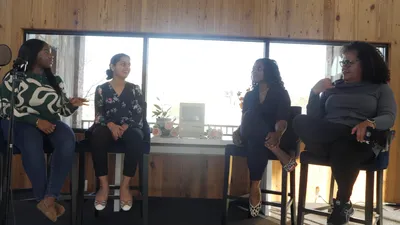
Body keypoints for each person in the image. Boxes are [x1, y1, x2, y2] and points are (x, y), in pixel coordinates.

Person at [293, 41, 396, 225]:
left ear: (365, 64)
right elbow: (315, 118)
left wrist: (369, 122)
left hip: (359, 142)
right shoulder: (333, 88)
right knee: (299, 120)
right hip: (330, 137)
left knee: (344, 145)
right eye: (343, 63)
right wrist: (315, 92)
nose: (345, 67)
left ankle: (342, 202)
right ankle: (343, 204)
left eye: (350, 62)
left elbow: (389, 117)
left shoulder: (380, 88)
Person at [0, 39, 87, 222]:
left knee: (67, 138)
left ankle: (49, 198)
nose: (51, 55)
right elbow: (3, 107)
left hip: (49, 123)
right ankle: (42, 196)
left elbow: (61, 110)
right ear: (33, 54)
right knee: (32, 141)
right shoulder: (14, 77)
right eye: (46, 51)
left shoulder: (55, 80)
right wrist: (36, 120)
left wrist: (72, 106)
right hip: (21, 122)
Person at [238, 58, 296, 217]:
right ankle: (277, 151)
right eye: (254, 68)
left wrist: (277, 134)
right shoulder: (250, 95)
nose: (254, 71)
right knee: (253, 116)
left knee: (257, 138)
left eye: (259, 68)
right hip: (249, 131)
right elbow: (245, 120)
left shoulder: (281, 93)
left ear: (269, 71)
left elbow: (282, 119)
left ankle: (254, 185)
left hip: (267, 135)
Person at [89, 53, 147, 212]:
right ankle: (104, 186)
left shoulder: (135, 89)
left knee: (136, 137)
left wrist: (125, 126)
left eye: (128, 64)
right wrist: (111, 125)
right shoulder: (101, 89)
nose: (127, 67)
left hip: (129, 127)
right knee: (97, 136)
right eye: (123, 64)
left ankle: (125, 186)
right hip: (106, 126)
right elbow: (99, 114)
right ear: (112, 66)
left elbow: (139, 113)